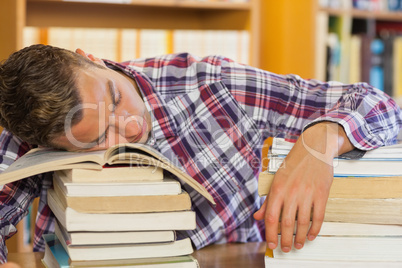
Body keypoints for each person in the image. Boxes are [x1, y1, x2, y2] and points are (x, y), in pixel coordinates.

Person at [0, 44, 400, 263]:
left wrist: (317, 145)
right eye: (97, 138)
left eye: (116, 98)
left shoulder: (213, 84)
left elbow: (380, 105)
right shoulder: (34, 128)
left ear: (91, 58)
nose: (131, 129)